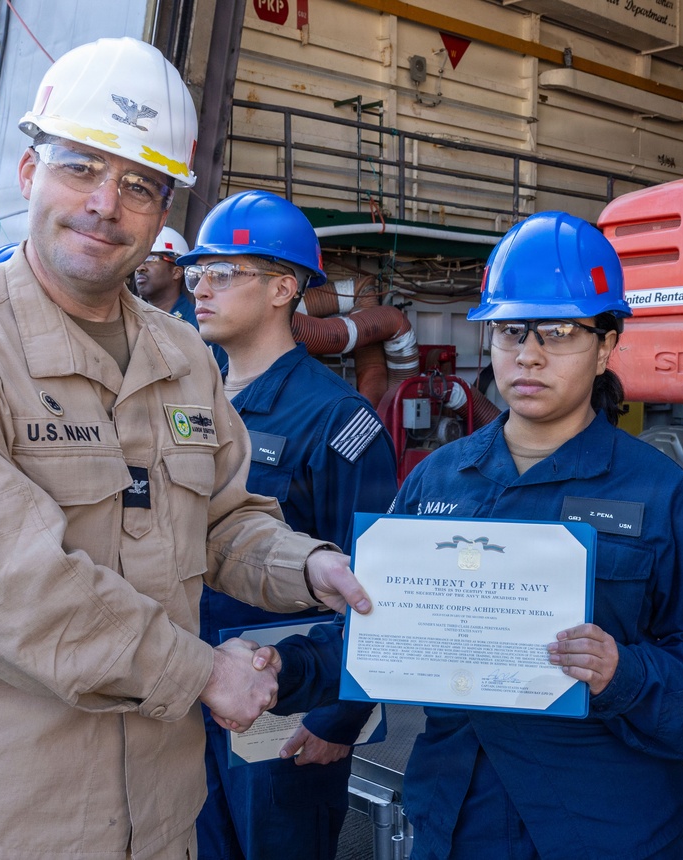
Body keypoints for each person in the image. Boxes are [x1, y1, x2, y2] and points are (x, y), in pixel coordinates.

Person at [0, 37, 371, 860]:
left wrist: (308, 566)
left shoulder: (182, 354)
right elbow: (6, 583)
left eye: (140, 184)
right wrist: (206, 675)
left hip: (152, 818)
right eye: (81, 167)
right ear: (27, 173)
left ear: (162, 216)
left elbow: (224, 517)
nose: (105, 205)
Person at [260, 211, 683, 860]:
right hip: (458, 817)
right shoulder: (438, 480)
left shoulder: (666, 499)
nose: (529, 353)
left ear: (606, 346)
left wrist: (623, 671)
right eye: (511, 330)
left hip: (605, 822)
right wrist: (317, 700)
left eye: (559, 332)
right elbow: (380, 621)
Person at [178, 190, 398, 860]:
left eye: (223, 273)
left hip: (285, 706)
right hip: (187, 685)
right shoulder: (186, 397)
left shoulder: (335, 419)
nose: (201, 289)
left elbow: (370, 586)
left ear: (282, 287)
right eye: (196, 274)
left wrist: (340, 719)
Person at [132, 226, 227, 368]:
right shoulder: (131, 320)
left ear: (176, 272)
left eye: (151, 258)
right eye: (139, 259)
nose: (140, 267)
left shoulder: (202, 325)